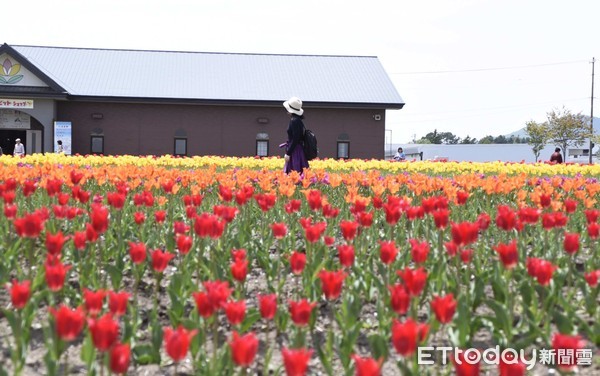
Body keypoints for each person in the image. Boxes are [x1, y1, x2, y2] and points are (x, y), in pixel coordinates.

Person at [282, 96, 309, 174]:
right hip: (298, 149)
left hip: (295, 151)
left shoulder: (294, 121)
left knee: (294, 173)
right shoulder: (298, 120)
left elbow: (295, 138)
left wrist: (288, 153)